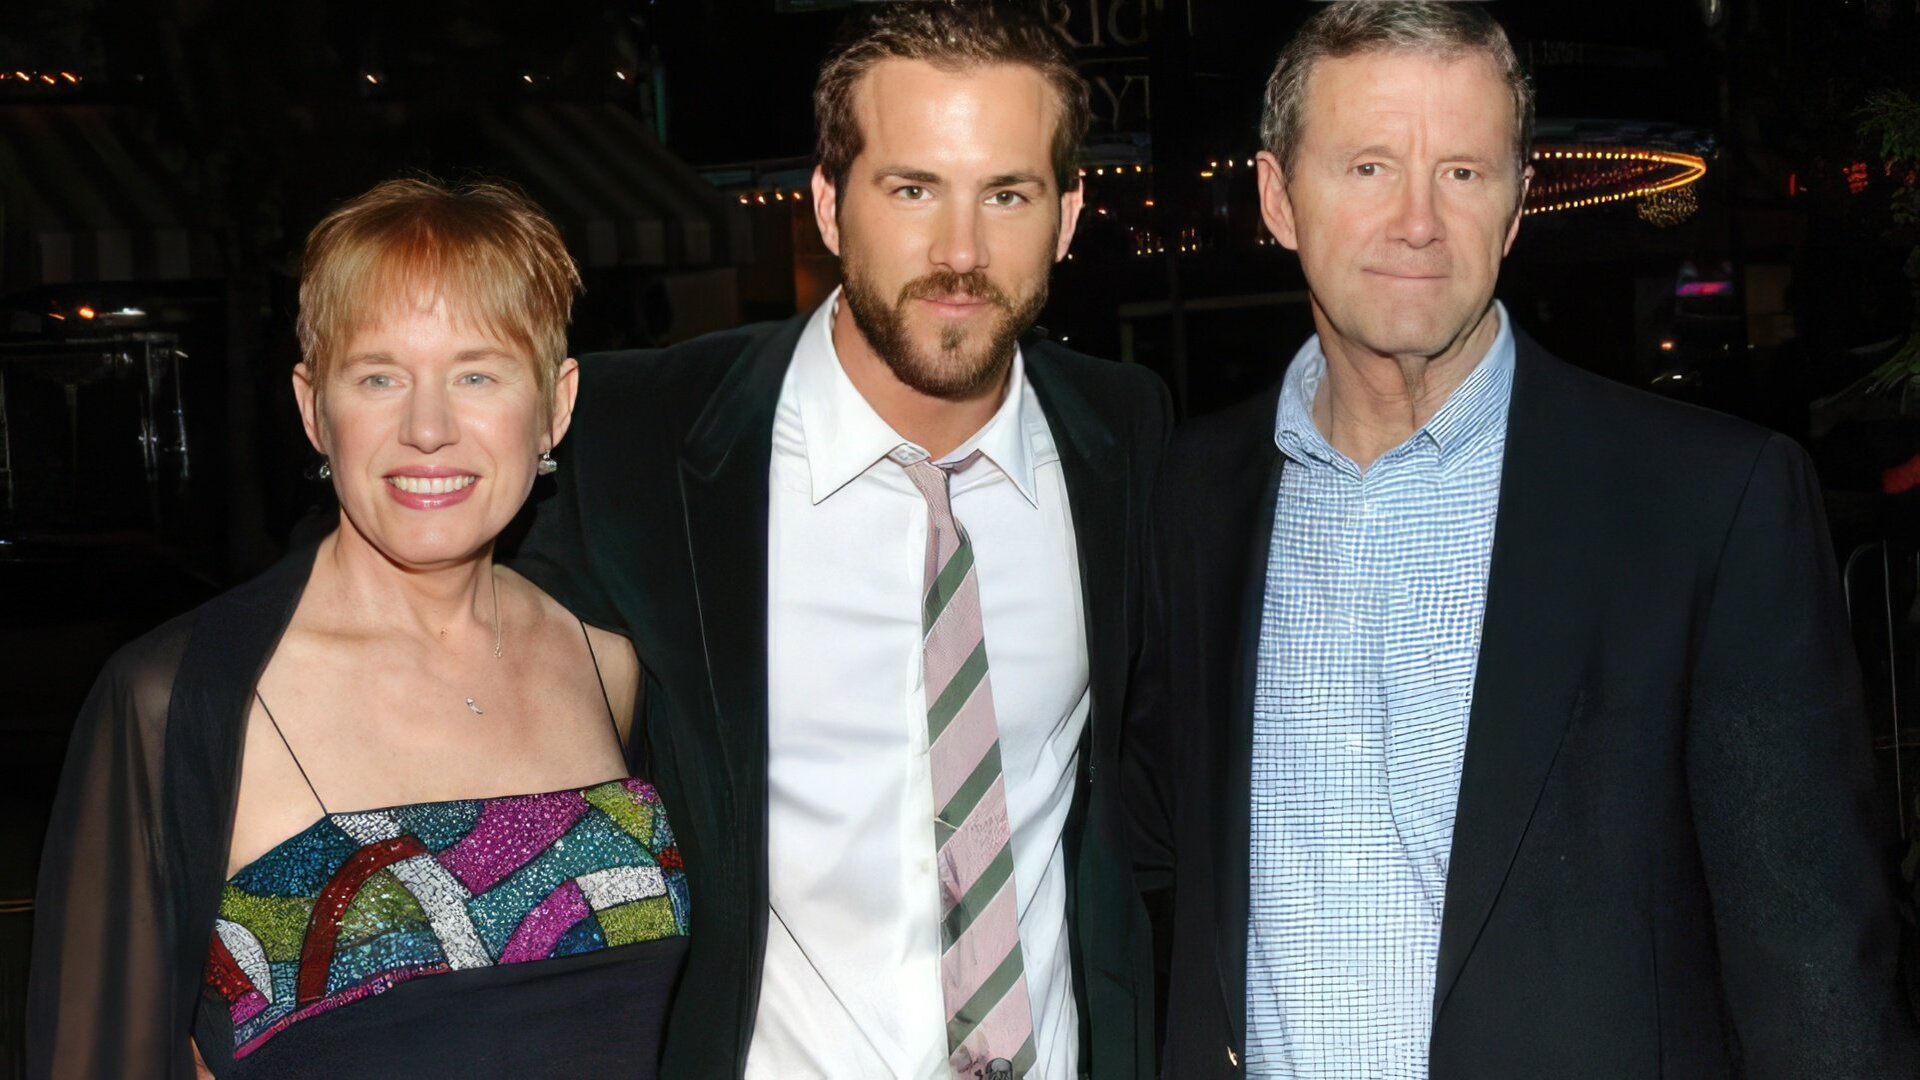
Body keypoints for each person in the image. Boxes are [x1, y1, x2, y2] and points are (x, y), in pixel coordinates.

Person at [1126, 2, 1919, 1077]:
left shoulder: (1704, 502)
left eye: (1462, 172)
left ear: (1512, 210)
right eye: (1367, 167)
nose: (1418, 221)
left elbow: (1815, 971)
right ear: (1278, 197)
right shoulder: (1189, 499)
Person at [511, 3, 1168, 1077]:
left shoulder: (1125, 439)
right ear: (826, 202)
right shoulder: (639, 442)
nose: (960, 252)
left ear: (1067, 214)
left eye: (1006, 194)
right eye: (912, 190)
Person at [27, 178, 689, 1079]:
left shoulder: (608, 660)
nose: (427, 428)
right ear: (313, 409)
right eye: (379, 377)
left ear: (556, 405)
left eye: (477, 374)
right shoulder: (185, 699)